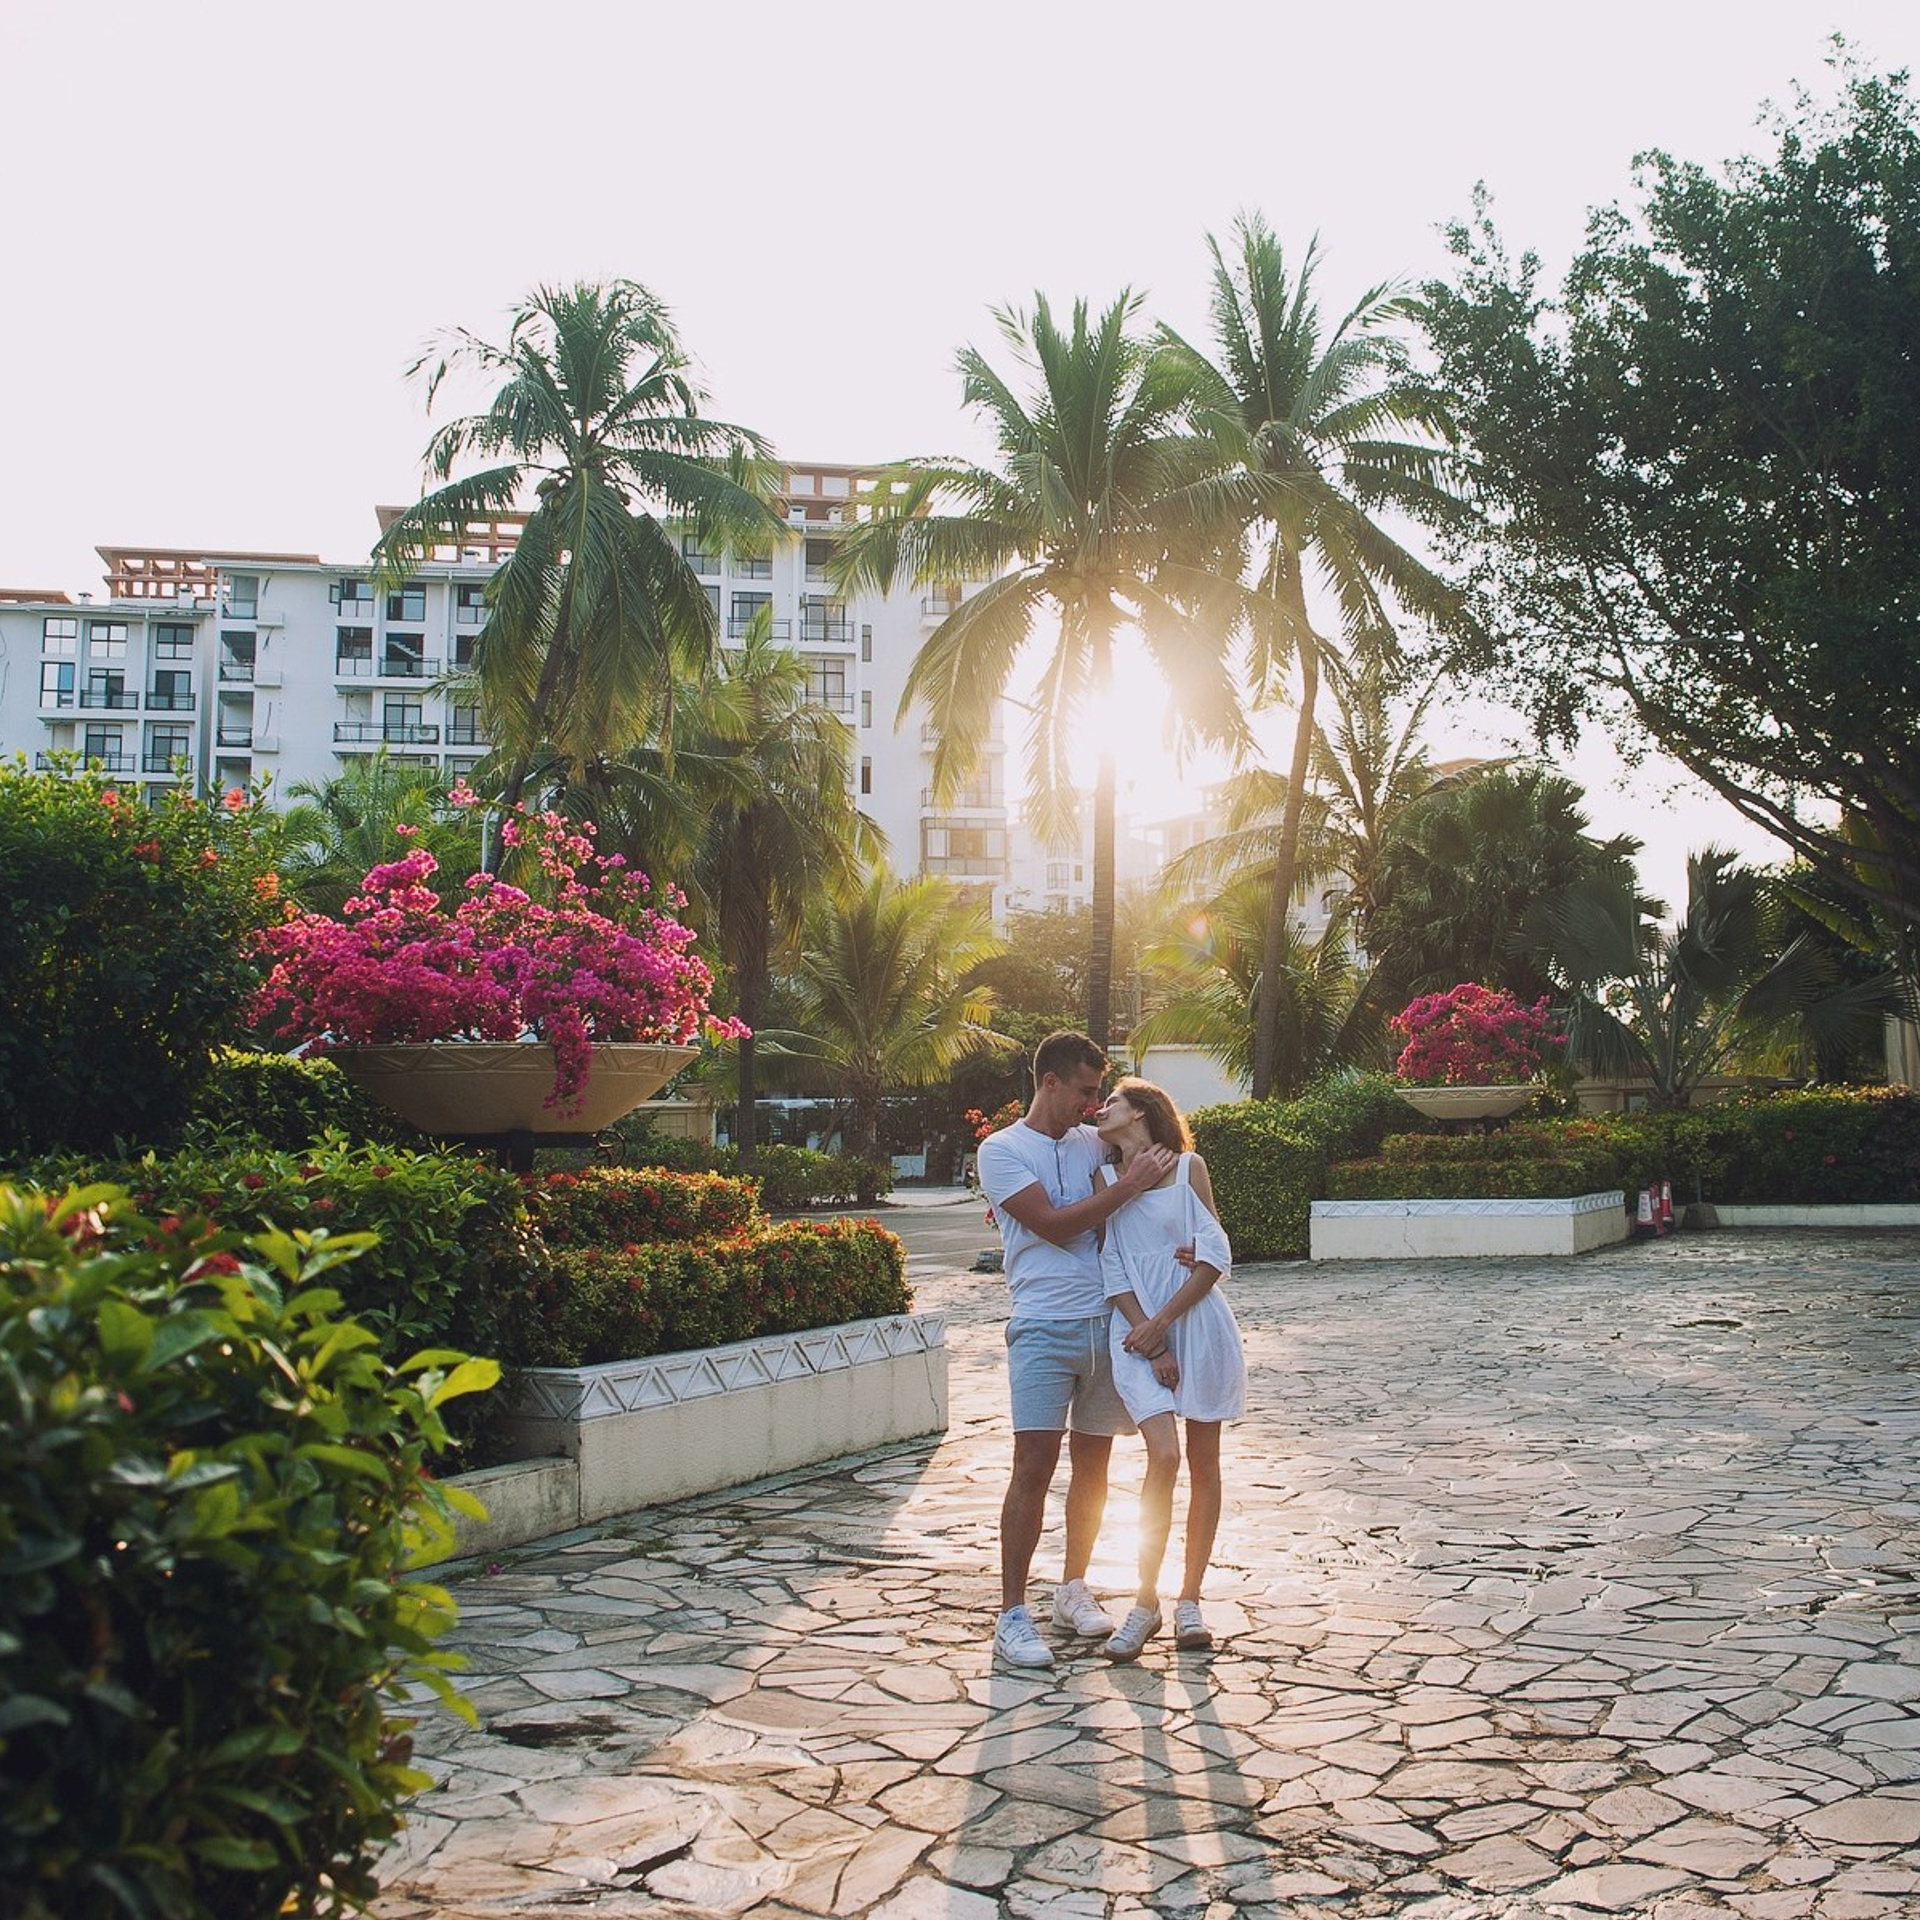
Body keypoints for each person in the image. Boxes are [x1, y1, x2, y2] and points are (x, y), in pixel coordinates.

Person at [975, 1032, 1177, 1669]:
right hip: (1042, 1326)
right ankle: (1012, 1615)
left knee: (1095, 1466)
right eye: (1084, 1092)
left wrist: (1187, 1238)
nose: (1092, 1105)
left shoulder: (1091, 1139)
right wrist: (1130, 1186)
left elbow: (1158, 1152)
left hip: (1106, 1326)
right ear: (1050, 1082)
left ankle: (1072, 1588)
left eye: (1098, 1094)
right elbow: (1056, 1227)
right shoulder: (1002, 1150)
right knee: (1032, 1465)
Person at [1092, 1076, 1246, 1662]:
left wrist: (1167, 1322)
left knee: (1205, 1464)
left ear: (1141, 1112)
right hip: (1135, 1335)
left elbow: (1216, 1252)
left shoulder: (1188, 1169)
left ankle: (1190, 1601)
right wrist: (1152, 1339)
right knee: (1164, 1457)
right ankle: (1144, 1601)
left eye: (1112, 1101)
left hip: (1198, 1324)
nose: (1101, 1109)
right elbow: (1112, 1265)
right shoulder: (1105, 1179)